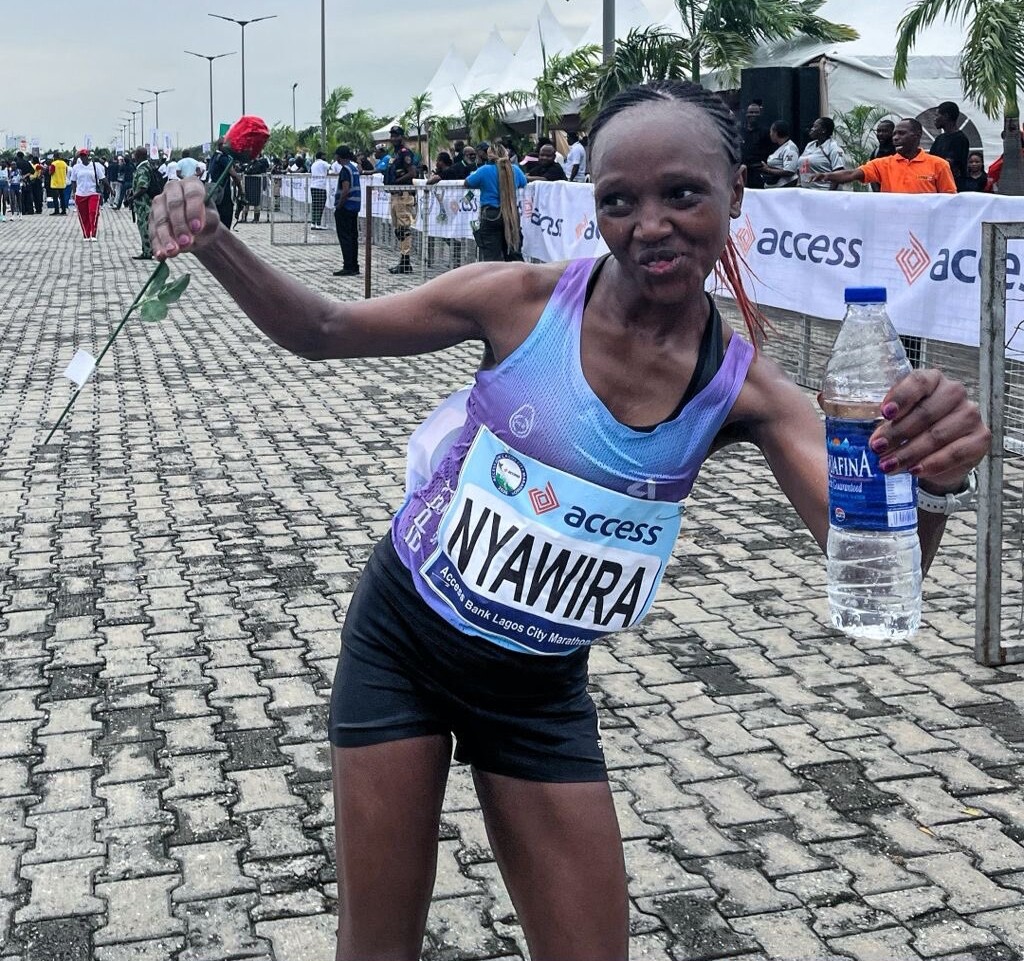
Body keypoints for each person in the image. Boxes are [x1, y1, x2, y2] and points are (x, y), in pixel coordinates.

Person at [147, 79, 989, 961]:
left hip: (537, 694)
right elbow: (324, 328)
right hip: (402, 645)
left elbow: (873, 557)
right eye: (618, 201)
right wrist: (215, 240)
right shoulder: (519, 301)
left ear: (737, 192)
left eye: (682, 193)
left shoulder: (745, 388)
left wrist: (932, 478)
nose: (650, 225)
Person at [813, 118, 957, 193]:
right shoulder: (882, 164)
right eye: (894, 134)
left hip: (924, 230)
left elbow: (950, 200)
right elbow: (852, 174)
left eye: (901, 133)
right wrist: (827, 176)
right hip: (891, 226)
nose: (895, 138)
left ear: (917, 135)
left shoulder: (939, 165)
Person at [465, 142, 527, 262]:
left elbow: (468, 182)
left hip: (490, 215)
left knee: (492, 257)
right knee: (514, 255)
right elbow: (523, 182)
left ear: (489, 155)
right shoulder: (515, 170)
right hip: (511, 215)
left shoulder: (484, 170)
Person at [385, 125, 417, 274]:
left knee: (404, 229)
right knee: (398, 229)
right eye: (392, 135)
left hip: (403, 194)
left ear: (401, 137)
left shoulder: (405, 153)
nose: (393, 138)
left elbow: (412, 173)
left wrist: (396, 183)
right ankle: (403, 260)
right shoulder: (395, 154)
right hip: (395, 195)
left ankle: (405, 262)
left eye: (396, 135)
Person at [332, 145, 361, 277]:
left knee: (345, 238)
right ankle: (354, 266)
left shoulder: (345, 170)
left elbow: (345, 190)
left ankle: (348, 266)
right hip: (354, 207)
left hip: (345, 207)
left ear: (339, 157)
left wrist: (339, 206)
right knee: (353, 238)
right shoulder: (354, 168)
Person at [930, 100, 970, 189]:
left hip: (953, 186)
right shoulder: (939, 138)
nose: (934, 119)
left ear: (946, 116)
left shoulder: (960, 139)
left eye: (937, 115)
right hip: (938, 184)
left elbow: (949, 164)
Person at [69, 148, 107, 240]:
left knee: (93, 212)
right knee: (83, 215)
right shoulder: (76, 168)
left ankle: (93, 234)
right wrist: (74, 192)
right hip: (80, 194)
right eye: (81, 156)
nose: (83, 157)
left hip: (93, 193)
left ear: (88, 156)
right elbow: (73, 181)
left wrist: (110, 189)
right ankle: (86, 234)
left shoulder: (95, 166)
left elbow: (103, 178)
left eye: (84, 155)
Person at [797, 118, 845, 189]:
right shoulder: (810, 145)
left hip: (823, 192)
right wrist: (799, 184)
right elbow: (801, 166)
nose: (812, 129)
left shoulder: (833, 148)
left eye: (815, 126)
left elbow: (838, 172)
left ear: (823, 130)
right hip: (806, 191)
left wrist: (830, 193)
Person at [129, 147, 157, 260]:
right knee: (148, 226)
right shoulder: (148, 166)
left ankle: (147, 252)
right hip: (148, 202)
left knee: (144, 227)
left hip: (144, 204)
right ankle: (150, 249)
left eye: (135, 154)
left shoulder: (142, 169)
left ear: (139, 156)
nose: (134, 157)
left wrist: (132, 197)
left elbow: (143, 187)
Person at [740, 100, 774, 189]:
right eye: (751, 112)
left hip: (758, 173)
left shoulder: (766, 132)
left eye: (756, 112)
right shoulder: (740, 131)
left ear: (760, 114)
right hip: (742, 171)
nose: (754, 115)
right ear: (746, 114)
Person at [761, 121, 800, 188]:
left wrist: (767, 169)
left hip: (785, 186)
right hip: (775, 186)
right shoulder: (780, 147)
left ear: (775, 133)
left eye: (771, 132)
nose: (770, 134)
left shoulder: (790, 148)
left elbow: (789, 171)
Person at [310, 151, 330, 229]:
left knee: (314, 205)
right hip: (321, 186)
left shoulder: (313, 164)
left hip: (313, 186)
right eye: (324, 155)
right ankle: (318, 224)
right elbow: (330, 167)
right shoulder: (323, 163)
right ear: (321, 156)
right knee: (321, 205)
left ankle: (313, 223)